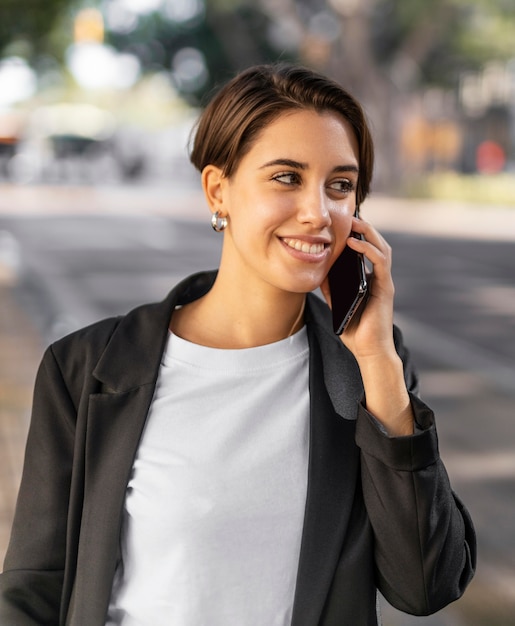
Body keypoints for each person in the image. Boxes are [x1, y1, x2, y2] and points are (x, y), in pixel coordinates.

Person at [0, 63, 475, 625]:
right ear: (217, 189)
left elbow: (427, 585)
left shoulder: (368, 370)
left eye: (340, 186)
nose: (318, 213)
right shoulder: (87, 367)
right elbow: (33, 590)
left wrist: (376, 361)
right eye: (286, 177)